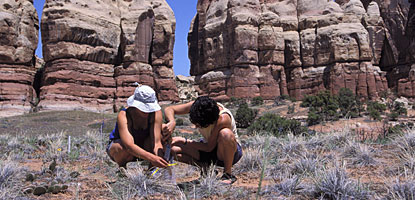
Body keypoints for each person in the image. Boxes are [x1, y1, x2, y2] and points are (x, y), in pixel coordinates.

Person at [162, 96, 243, 184]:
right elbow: (169, 109)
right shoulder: (197, 107)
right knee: (172, 149)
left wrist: (183, 141)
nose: (196, 127)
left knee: (225, 134)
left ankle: (227, 174)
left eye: (200, 125)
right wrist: (172, 122)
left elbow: (209, 147)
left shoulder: (223, 118)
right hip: (209, 148)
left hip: (227, 153)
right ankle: (206, 168)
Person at [106, 84, 168, 169]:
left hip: (143, 148)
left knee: (162, 137)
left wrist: (160, 158)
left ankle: (151, 171)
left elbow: (156, 143)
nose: (146, 112)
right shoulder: (124, 115)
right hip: (125, 150)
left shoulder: (156, 113)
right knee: (120, 148)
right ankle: (122, 168)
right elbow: (129, 146)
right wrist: (152, 158)